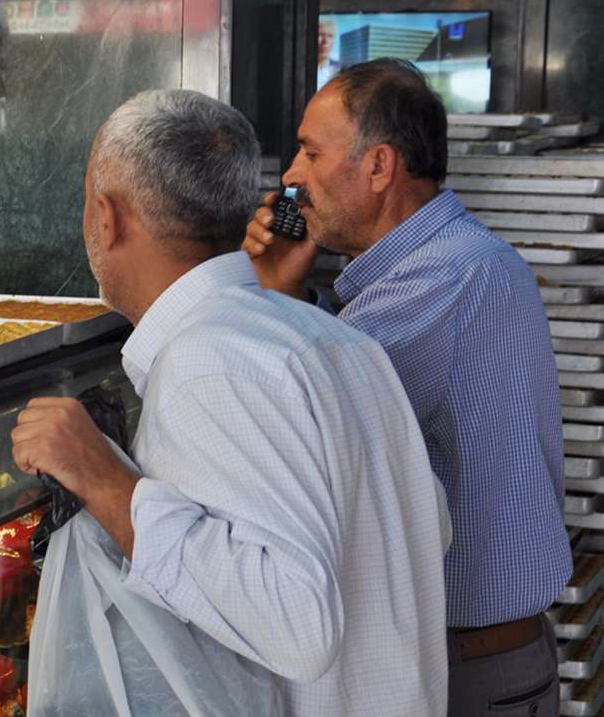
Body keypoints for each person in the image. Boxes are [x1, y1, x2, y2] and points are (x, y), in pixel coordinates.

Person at [12, 90, 449, 715]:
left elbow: (299, 626)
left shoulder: (208, 362)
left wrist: (106, 483)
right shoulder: (332, 337)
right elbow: (429, 525)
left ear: (107, 218)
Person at [242, 58, 570, 717]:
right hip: (476, 660)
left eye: (311, 152)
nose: (292, 176)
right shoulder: (453, 264)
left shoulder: (443, 280)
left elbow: (291, 419)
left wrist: (266, 297)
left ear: (379, 166)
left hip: (467, 673)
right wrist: (287, 296)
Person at [316, 18, 342, 88]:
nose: (325, 41)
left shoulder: (341, 70)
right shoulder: (300, 68)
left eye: (330, 36)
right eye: (321, 35)